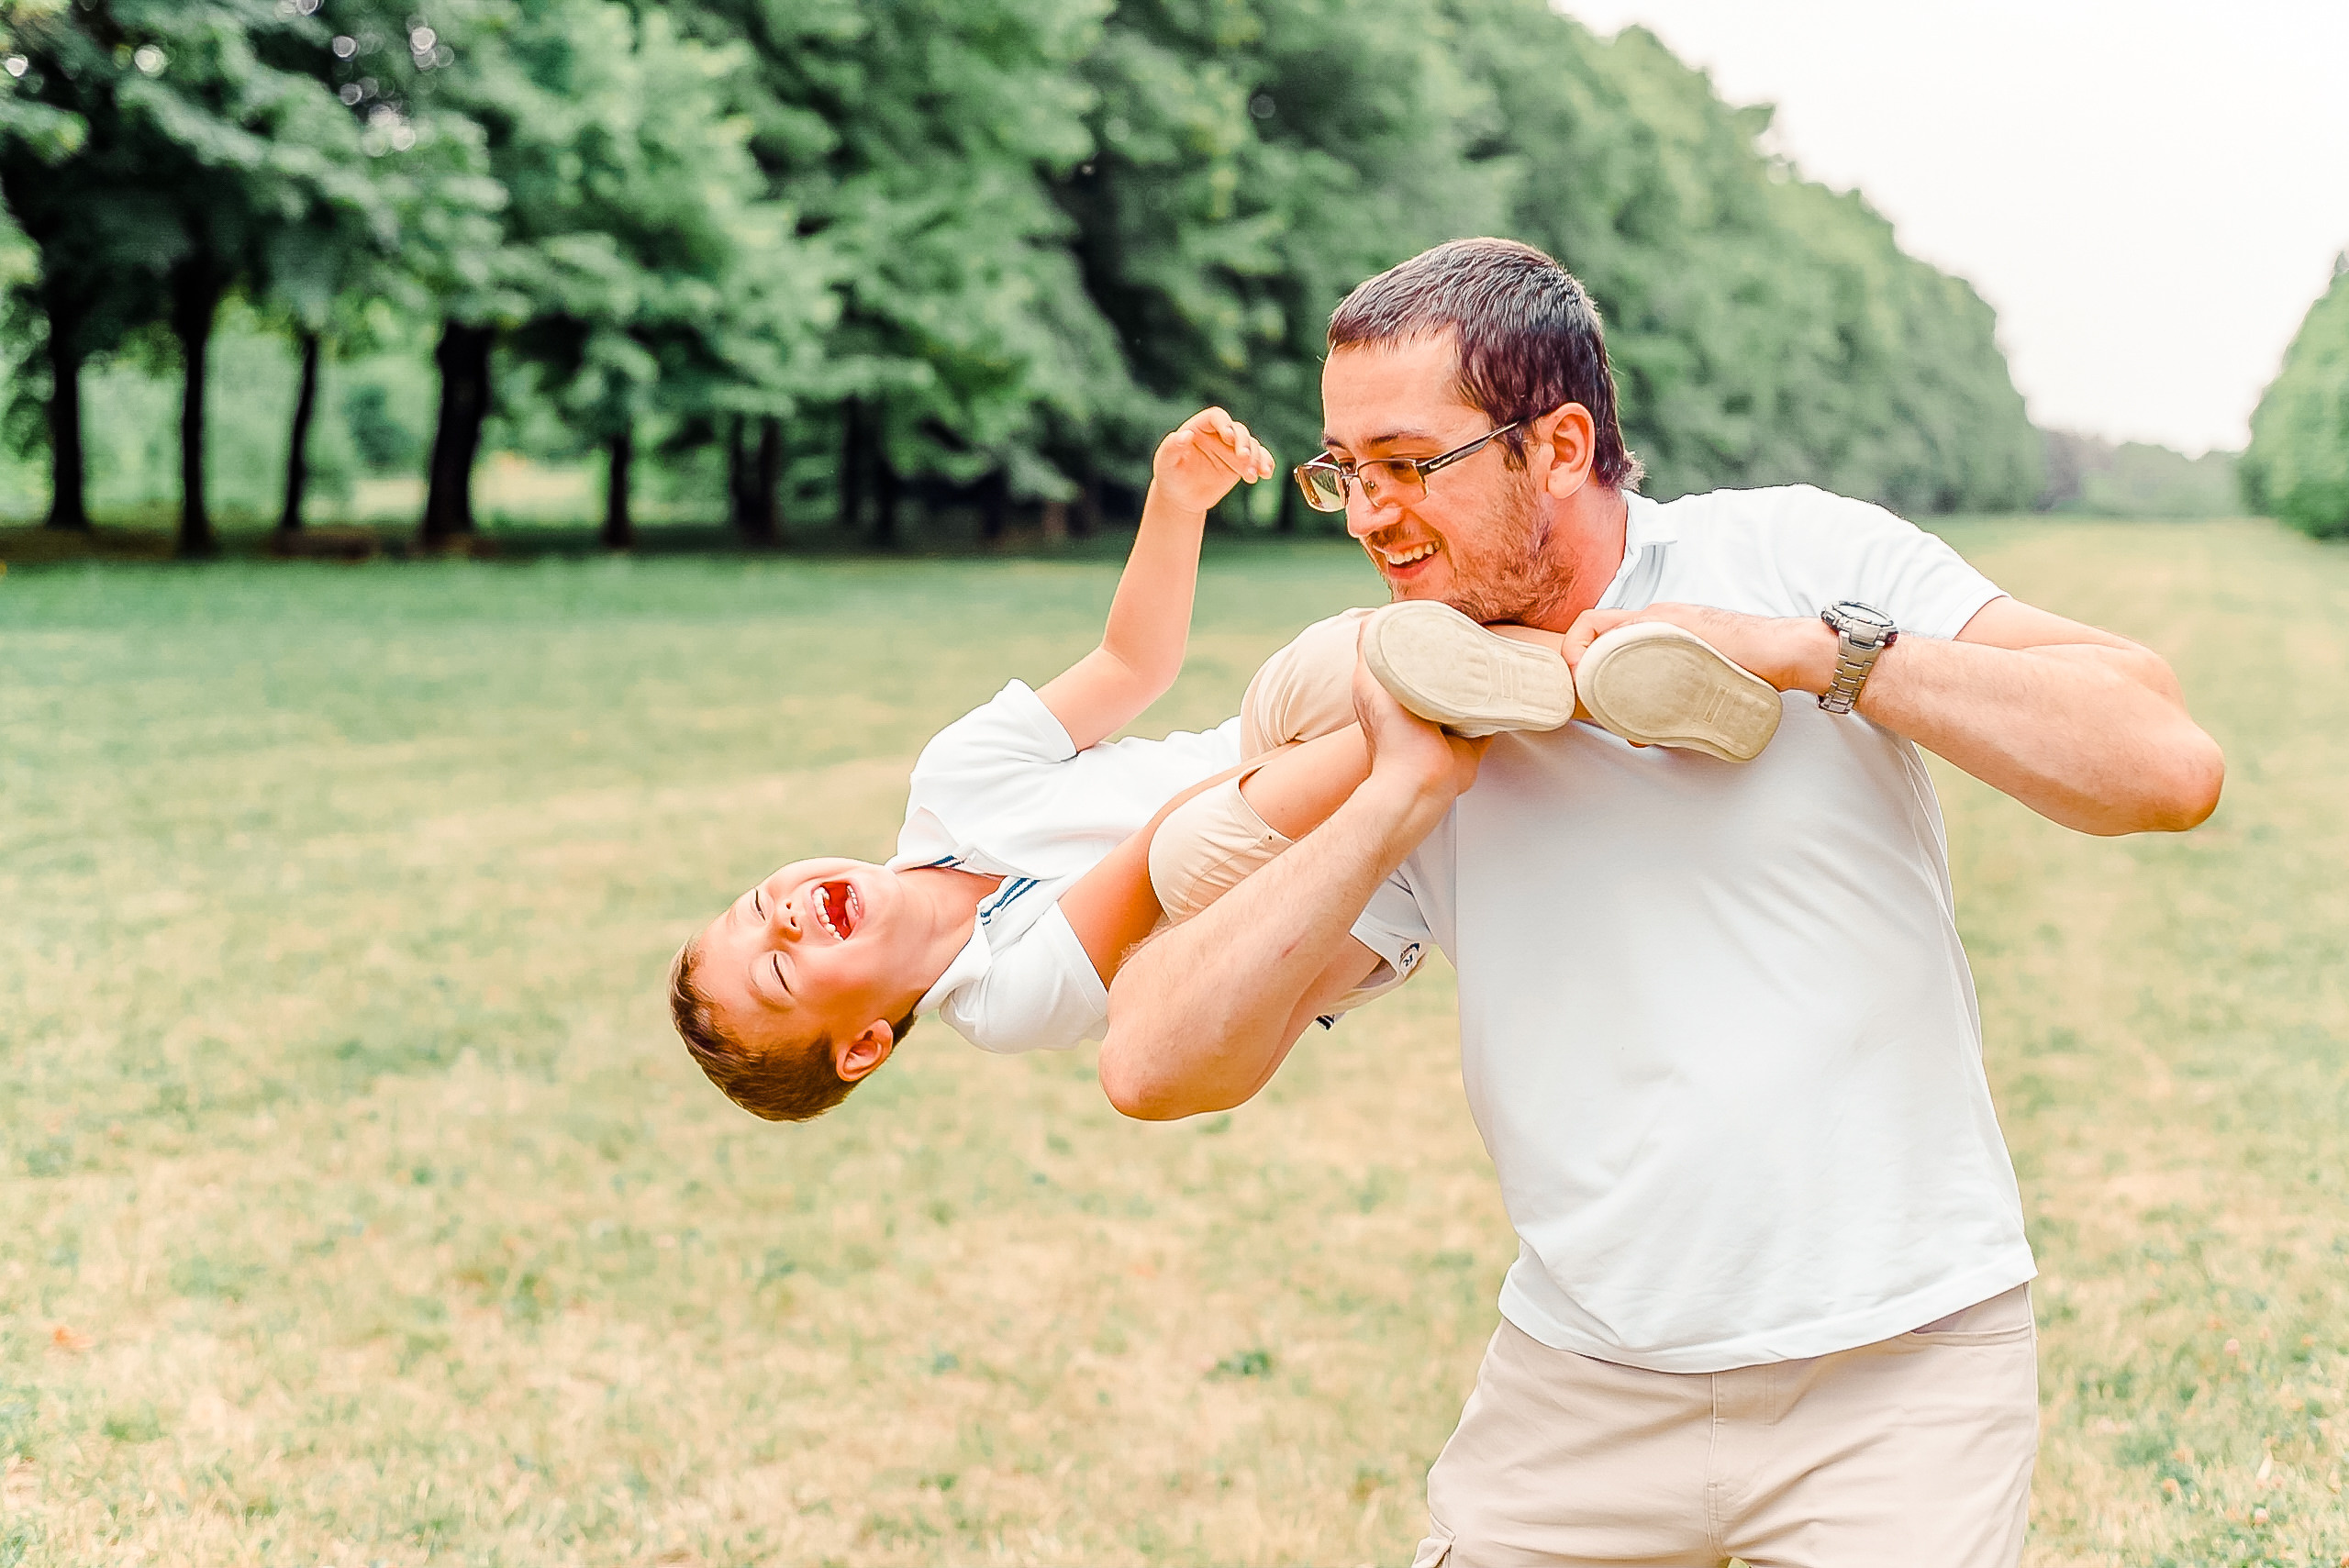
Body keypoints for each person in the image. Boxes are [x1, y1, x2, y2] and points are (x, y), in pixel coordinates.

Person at [1098, 238, 2225, 1567]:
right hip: (1581, 1385)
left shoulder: (1794, 552)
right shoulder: (1409, 697)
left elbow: (2166, 764)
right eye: (1344, 470)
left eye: (1409, 464)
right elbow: (1153, 1066)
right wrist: (1401, 794)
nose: (1365, 513)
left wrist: (1816, 656)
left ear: (1559, 443)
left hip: (1901, 1375)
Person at [671, 400, 1793, 1124]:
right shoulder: (1002, 997)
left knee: (1322, 660)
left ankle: (1571, 676)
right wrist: (1367, 743)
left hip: (1268, 758)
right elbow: (1158, 853)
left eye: (747, 908)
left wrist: (1176, 500)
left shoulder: (952, 780)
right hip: (1313, 903)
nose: (778, 918)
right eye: (776, 970)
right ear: (864, 1042)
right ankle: (1494, 698)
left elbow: (1130, 663)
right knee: (1199, 841)